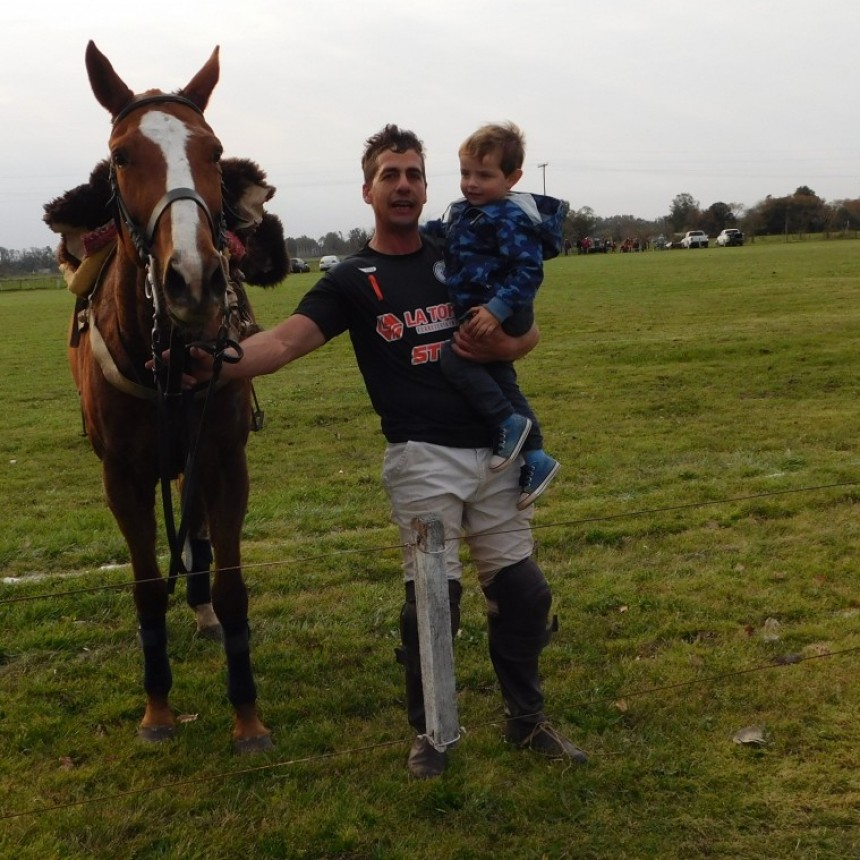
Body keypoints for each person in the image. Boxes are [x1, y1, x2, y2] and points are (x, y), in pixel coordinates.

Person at [188, 124, 587, 779]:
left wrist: (510, 344)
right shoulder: (352, 279)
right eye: (390, 175)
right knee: (432, 603)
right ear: (369, 190)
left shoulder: (459, 249)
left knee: (523, 595)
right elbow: (284, 343)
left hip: (496, 449)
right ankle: (430, 733)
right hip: (422, 458)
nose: (403, 185)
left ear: (427, 188)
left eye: (414, 175)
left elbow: (528, 328)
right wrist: (213, 364)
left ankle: (527, 720)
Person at [423, 122, 562, 509]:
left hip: (502, 309)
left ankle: (507, 423)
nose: (471, 183)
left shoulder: (509, 217)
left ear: (512, 177)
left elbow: (529, 271)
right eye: (466, 173)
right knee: (502, 378)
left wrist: (497, 310)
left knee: (454, 357)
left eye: (484, 175)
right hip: (487, 308)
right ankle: (535, 457)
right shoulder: (468, 212)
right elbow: (440, 232)